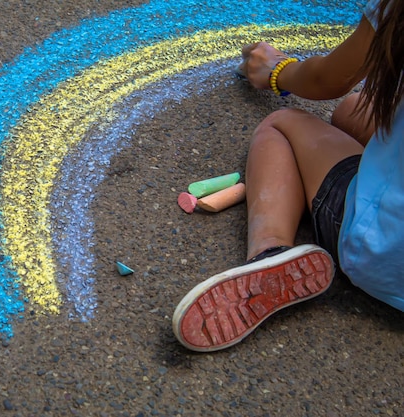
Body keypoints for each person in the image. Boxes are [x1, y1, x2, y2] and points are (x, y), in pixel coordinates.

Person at [173, 0, 404, 352]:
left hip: (385, 255)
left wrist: (278, 70)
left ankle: (269, 253)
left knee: (281, 126)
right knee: (354, 109)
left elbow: (327, 79)